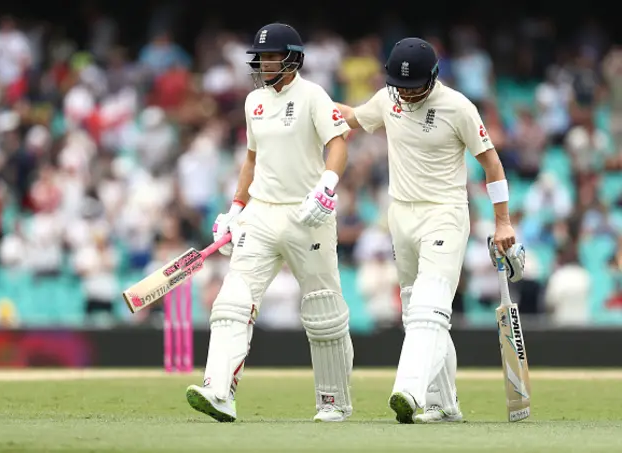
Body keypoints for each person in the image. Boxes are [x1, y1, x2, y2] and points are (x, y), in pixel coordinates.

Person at [335, 38, 525, 424]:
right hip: (400, 215)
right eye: (399, 85)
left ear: (432, 78)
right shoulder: (388, 99)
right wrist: (311, 107)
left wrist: (503, 220)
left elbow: (492, 165)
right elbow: (351, 117)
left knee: (429, 307)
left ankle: (408, 391)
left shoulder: (458, 107)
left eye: (413, 86)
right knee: (415, 310)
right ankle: (444, 404)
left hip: (445, 214)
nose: (405, 93)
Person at [186, 23, 354, 423]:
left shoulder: (313, 95)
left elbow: (338, 144)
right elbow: (251, 159)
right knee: (231, 302)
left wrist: (327, 187)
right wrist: (236, 207)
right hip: (260, 213)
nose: (262, 64)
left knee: (324, 311)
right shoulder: (254, 102)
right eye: (259, 58)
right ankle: (219, 390)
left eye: (270, 57)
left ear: (292, 58)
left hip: (307, 213)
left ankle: (333, 402)